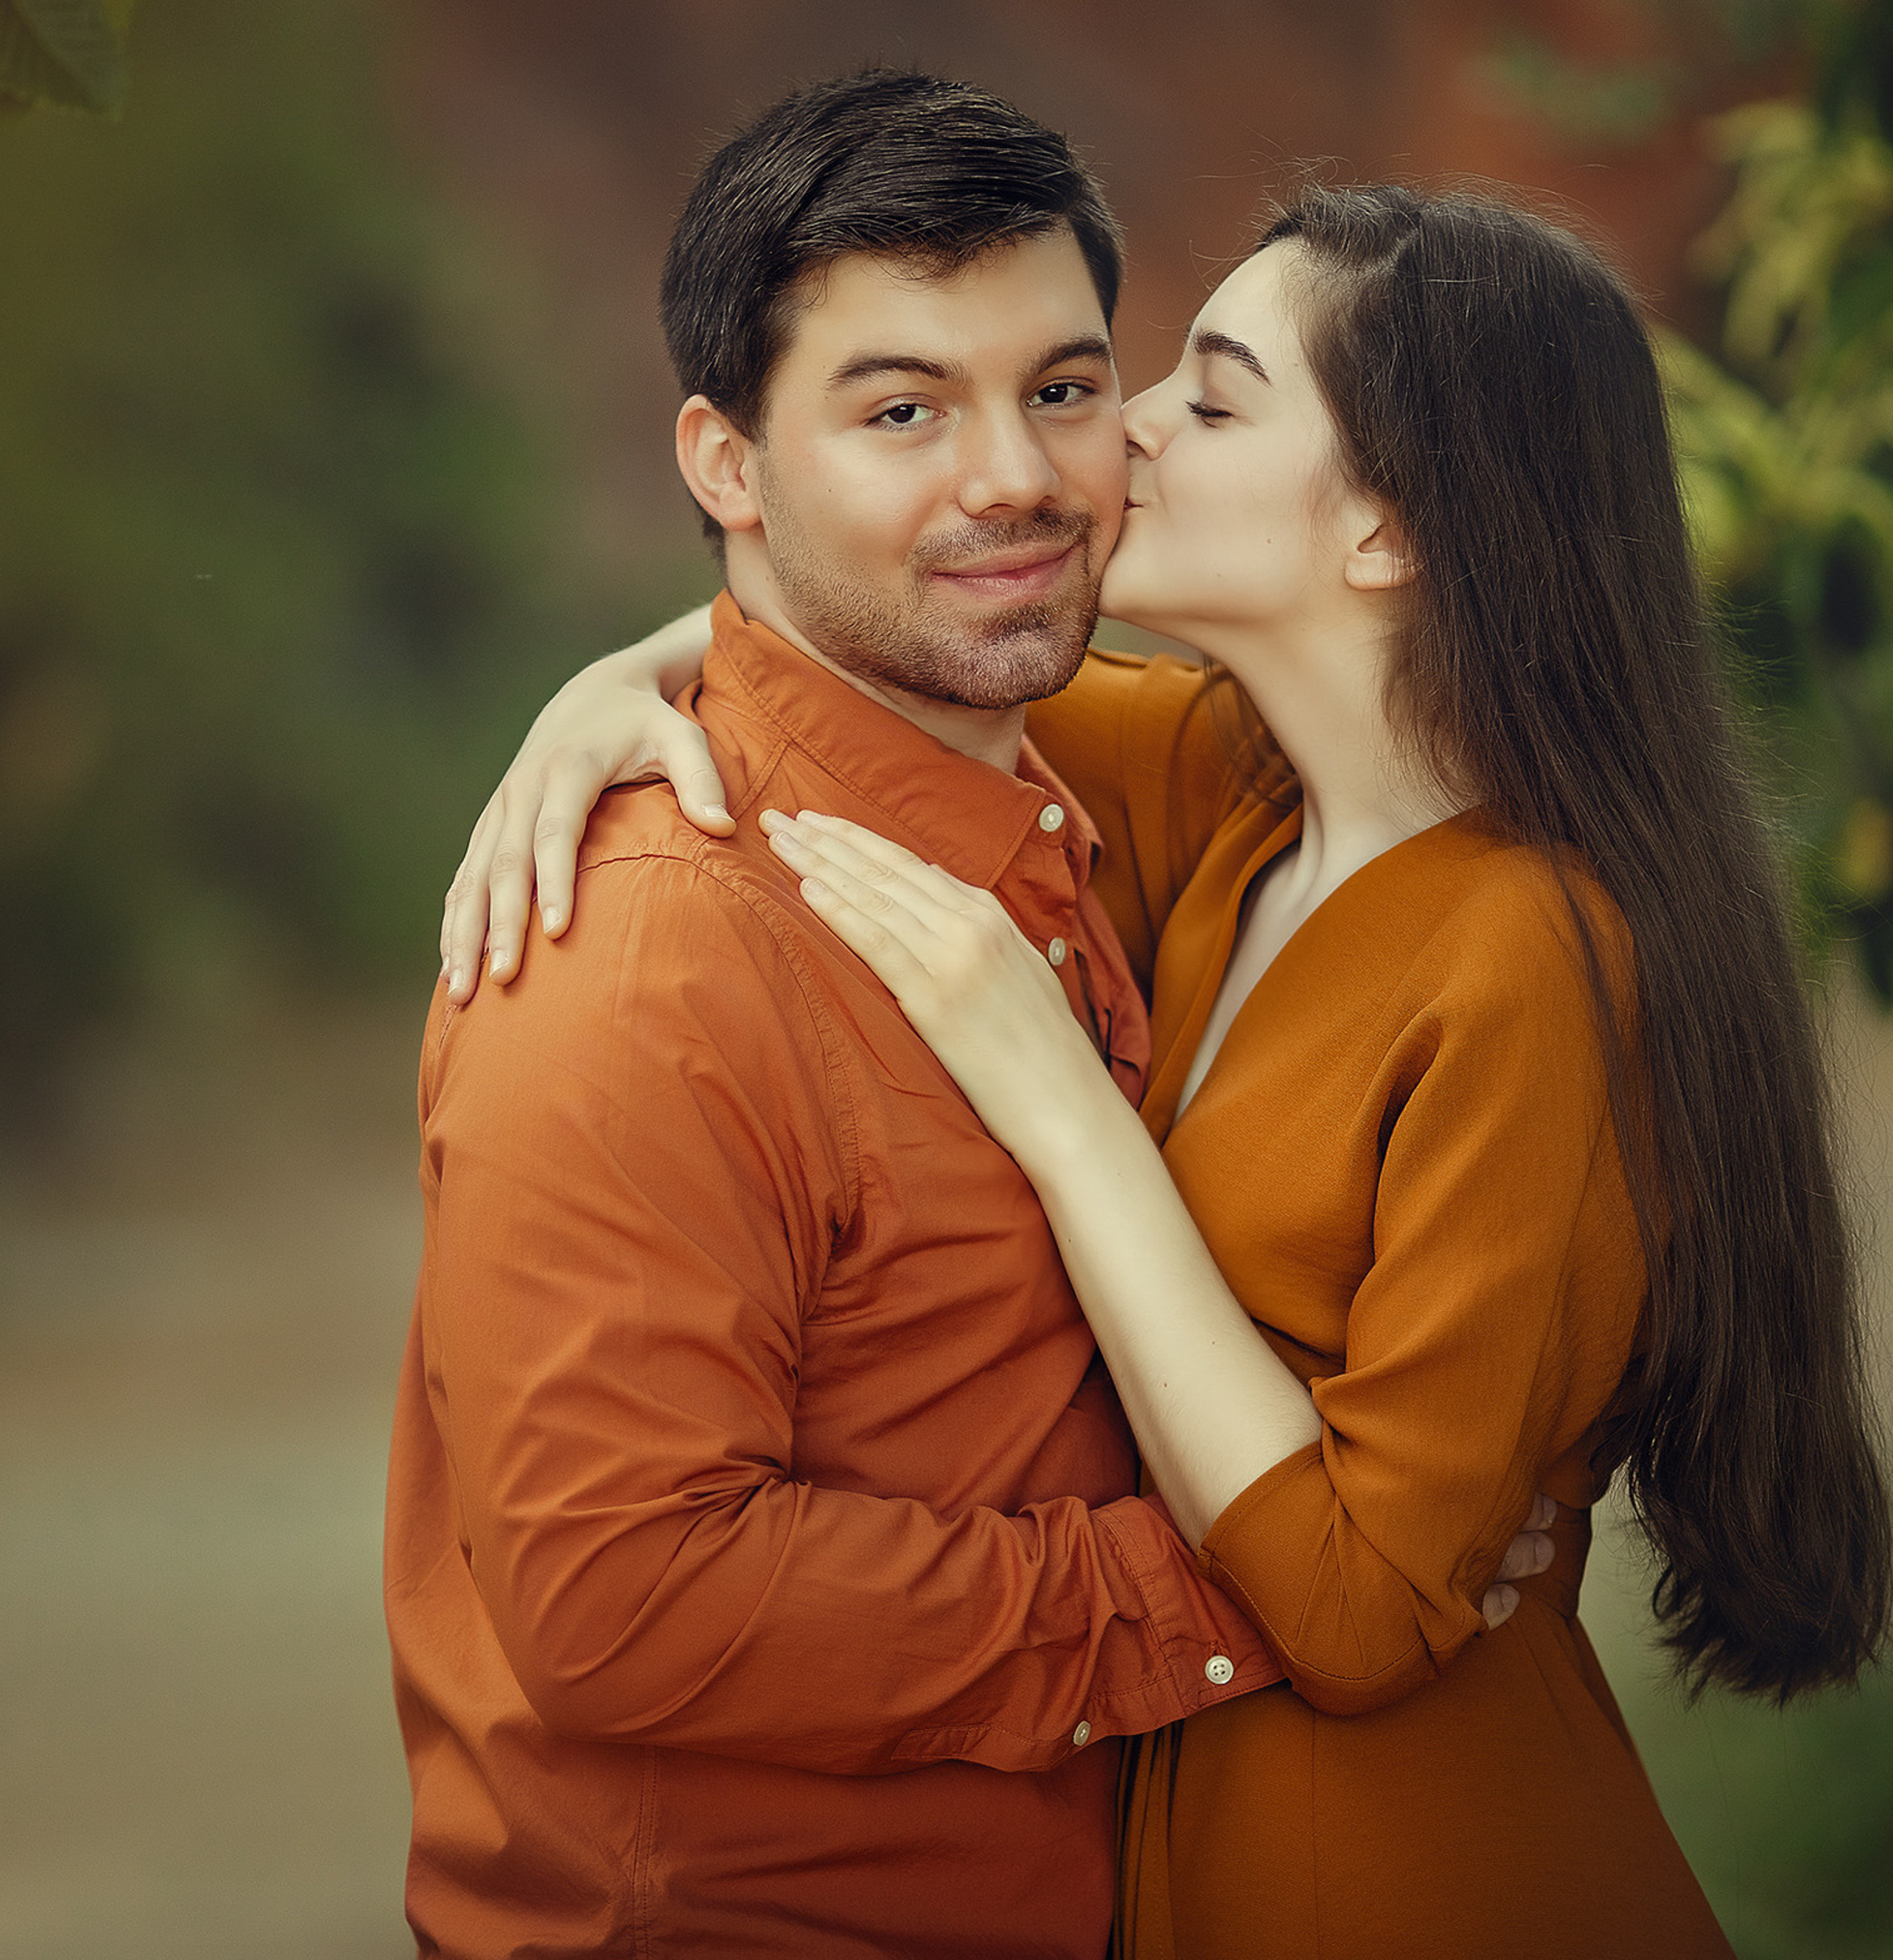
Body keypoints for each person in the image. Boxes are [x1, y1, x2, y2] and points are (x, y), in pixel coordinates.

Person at [445, 177, 1892, 1956]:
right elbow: (860, 643)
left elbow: (1358, 1608)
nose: (1112, 434)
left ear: (1384, 529)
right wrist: (605, 695)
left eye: (1207, 400)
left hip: (1407, 1870)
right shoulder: (1234, 793)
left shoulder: (1533, 953)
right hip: (1187, 1844)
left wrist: (1064, 1110)